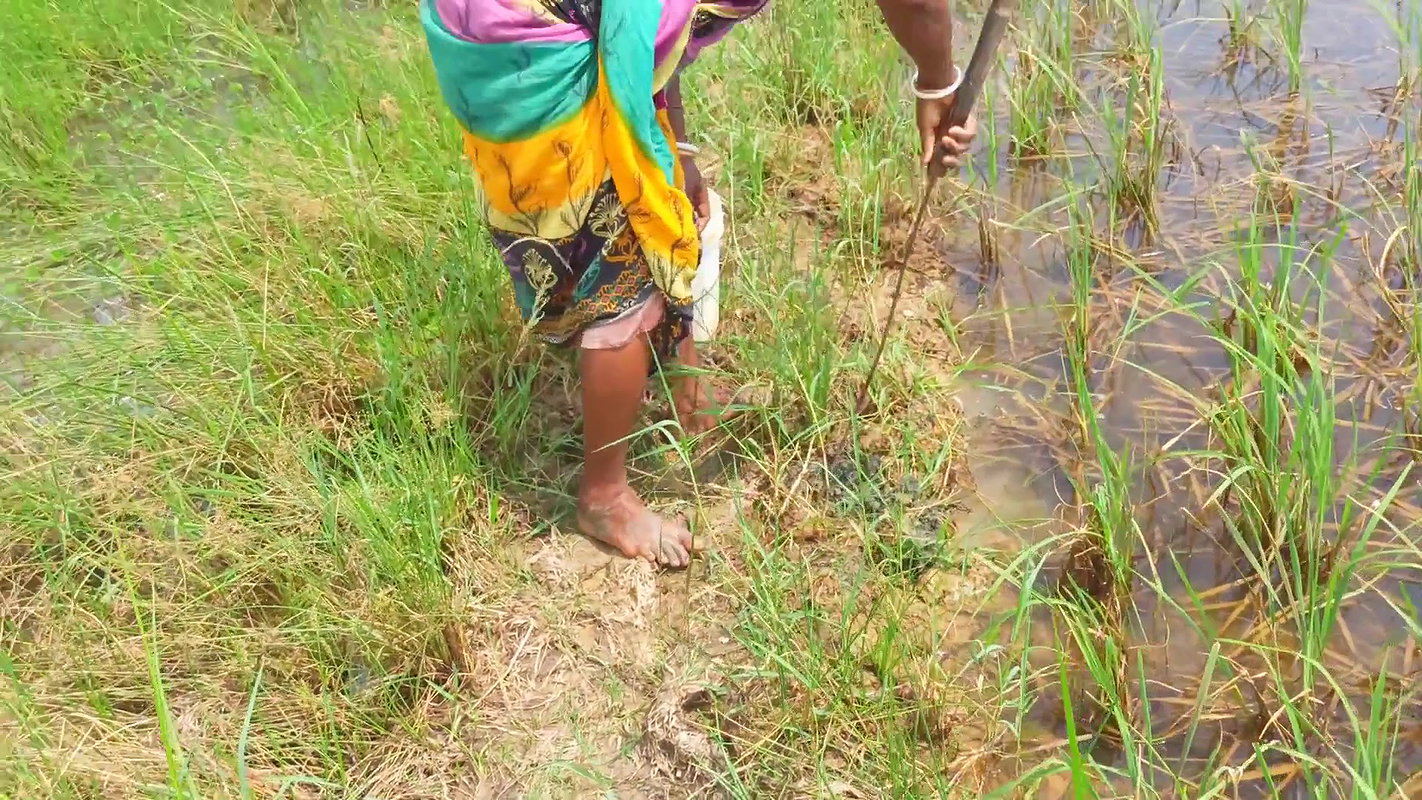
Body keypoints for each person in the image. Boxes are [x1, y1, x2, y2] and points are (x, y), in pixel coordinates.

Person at [421, 0, 976, 568]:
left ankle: (693, 401)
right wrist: (937, 83)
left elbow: (641, 33)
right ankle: (604, 496)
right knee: (623, 275)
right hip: (541, 45)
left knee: (669, 212)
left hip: (551, 36)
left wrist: (677, 153)